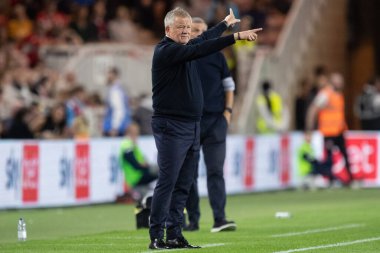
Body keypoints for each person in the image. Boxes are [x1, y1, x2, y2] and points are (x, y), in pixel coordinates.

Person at [149, 7, 261, 250]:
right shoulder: (166, 51)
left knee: (183, 183)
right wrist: (236, 37)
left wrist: (225, 24)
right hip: (172, 125)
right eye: (181, 28)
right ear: (168, 29)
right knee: (168, 182)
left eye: (188, 28)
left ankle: (175, 234)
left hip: (192, 125)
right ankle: (156, 236)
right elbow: (202, 47)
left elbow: (202, 40)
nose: (186, 32)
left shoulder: (185, 47)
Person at [184, 17, 236, 233]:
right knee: (189, 174)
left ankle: (219, 219)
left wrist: (228, 113)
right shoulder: (184, 56)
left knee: (215, 171)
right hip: (191, 122)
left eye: (204, 30)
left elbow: (229, 86)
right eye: (197, 30)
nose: (201, 33)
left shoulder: (218, 57)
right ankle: (193, 221)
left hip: (216, 121)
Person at [306, 72, 354, 185]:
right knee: (329, 157)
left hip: (339, 131)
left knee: (344, 154)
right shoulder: (325, 94)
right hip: (328, 132)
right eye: (339, 81)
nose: (341, 83)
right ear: (333, 81)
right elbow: (312, 110)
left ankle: (350, 179)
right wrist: (309, 129)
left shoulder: (338, 94)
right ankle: (328, 178)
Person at [119, 122, 157, 197]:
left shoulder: (131, 144)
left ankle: (140, 191)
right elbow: (135, 165)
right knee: (162, 171)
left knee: (146, 198)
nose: (137, 135)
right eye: (136, 133)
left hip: (137, 176)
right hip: (136, 176)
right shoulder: (126, 144)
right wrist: (145, 165)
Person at [102, 67, 132, 137]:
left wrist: (114, 127)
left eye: (109, 74)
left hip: (115, 128)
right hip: (122, 126)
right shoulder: (120, 88)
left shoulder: (115, 90)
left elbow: (119, 109)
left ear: (114, 75)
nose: (107, 77)